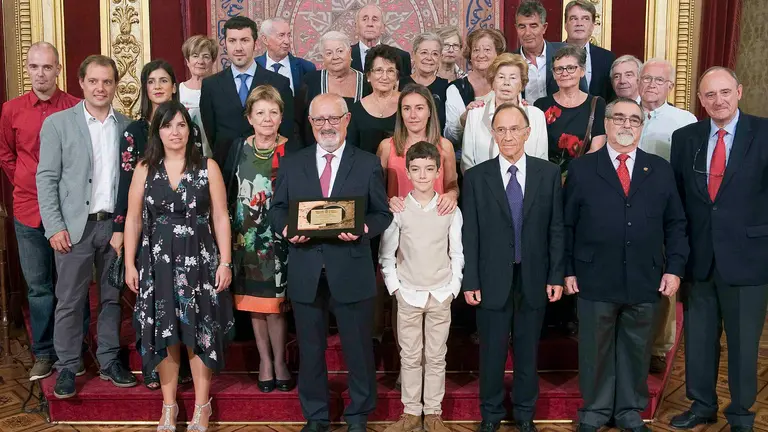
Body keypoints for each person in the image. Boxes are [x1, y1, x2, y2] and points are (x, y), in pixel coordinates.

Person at [269, 93, 392, 432]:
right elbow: (278, 209)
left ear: (347, 120)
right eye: (319, 120)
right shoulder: (293, 162)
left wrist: (364, 229)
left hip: (351, 268)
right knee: (310, 351)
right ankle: (317, 415)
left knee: (358, 349)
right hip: (306, 269)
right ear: (310, 124)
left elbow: (382, 214)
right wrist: (286, 229)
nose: (327, 126)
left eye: (333, 119)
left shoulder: (367, 163)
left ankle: (358, 415)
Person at [564, 98, 688, 432]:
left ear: (641, 126)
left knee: (636, 347)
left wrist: (674, 268)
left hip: (644, 275)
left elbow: (676, 224)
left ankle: (630, 411)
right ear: (606, 124)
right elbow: (566, 225)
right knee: (595, 348)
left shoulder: (659, 169)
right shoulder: (581, 168)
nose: (626, 125)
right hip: (594, 274)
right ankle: (594, 411)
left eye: (634, 119)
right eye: (619, 118)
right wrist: (568, 269)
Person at [123, 101, 234, 431]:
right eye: (168, 125)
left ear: (190, 129)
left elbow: (220, 216)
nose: (175, 131)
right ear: (158, 131)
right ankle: (169, 407)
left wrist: (225, 261)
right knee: (165, 332)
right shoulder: (145, 168)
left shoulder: (207, 167)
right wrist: (130, 263)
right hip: (157, 264)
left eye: (181, 125)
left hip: (199, 262)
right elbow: (132, 219)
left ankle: (202, 407)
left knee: (199, 332)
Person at [669, 67, 768, 432]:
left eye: (725, 92)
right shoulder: (685, 138)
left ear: (739, 91)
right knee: (698, 340)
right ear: (700, 98)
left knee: (744, 345)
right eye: (709, 95)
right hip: (700, 259)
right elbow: (678, 203)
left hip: (750, 259)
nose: (718, 101)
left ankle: (741, 414)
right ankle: (702, 405)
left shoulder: (764, 132)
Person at [37, 55, 136, 398]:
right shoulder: (58, 124)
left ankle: (109, 361)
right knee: (69, 300)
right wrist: (53, 227)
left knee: (111, 299)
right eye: (93, 81)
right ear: (81, 82)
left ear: (115, 86)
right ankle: (67, 366)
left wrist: (127, 228)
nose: (100, 88)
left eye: (107, 82)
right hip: (73, 229)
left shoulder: (127, 127)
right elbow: (46, 179)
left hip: (113, 230)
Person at [462, 102, 564, 432]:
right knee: (491, 353)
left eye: (514, 129)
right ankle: (490, 414)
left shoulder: (548, 173)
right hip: (491, 278)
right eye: (501, 129)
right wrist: (471, 279)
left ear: (527, 132)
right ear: (493, 134)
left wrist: (556, 275)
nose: (508, 136)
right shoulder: (476, 177)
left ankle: (524, 413)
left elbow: (556, 228)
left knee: (527, 351)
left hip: (534, 276)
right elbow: (471, 233)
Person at [113, 59, 202, 390]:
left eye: (165, 80)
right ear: (145, 88)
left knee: (184, 304)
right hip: (150, 231)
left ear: (174, 85)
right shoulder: (134, 132)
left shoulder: (187, 125)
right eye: (152, 81)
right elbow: (128, 186)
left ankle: (185, 367)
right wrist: (121, 228)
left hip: (188, 234)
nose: (159, 86)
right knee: (153, 300)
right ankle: (154, 364)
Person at [0, 42, 85, 382]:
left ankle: (75, 352)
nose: (40, 73)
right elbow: (7, 154)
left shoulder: (76, 108)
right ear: (27, 69)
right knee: (38, 288)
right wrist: (25, 182)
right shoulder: (11, 110)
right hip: (28, 210)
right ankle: (44, 354)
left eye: (47, 67)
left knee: (72, 286)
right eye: (34, 67)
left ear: (58, 69)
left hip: (68, 213)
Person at [378, 142, 463, 432]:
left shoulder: (449, 209)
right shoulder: (399, 209)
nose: (423, 175)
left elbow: (457, 252)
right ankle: (411, 412)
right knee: (410, 356)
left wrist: (453, 287)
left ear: (438, 172)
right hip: (408, 294)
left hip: (440, 293)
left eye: (429, 169)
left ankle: (434, 413)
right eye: (416, 170)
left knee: (436, 356)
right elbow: (387, 254)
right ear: (408, 173)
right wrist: (395, 288)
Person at [221, 85, 294, 393]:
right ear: (249, 117)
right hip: (246, 241)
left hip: (281, 241)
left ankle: (281, 361)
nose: (267, 119)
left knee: (276, 306)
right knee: (255, 306)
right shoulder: (238, 148)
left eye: (273, 113)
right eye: (260, 113)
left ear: (281, 117)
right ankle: (265, 360)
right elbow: (225, 193)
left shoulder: (293, 149)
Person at [636, 59, 696, 374]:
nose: (651, 85)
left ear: (670, 86)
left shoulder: (684, 120)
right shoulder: (623, 113)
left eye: (659, 80)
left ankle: (659, 346)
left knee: (664, 278)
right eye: (646, 79)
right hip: (623, 209)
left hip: (663, 210)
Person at [200, 16, 296, 164]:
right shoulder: (211, 85)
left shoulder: (279, 84)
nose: (238, 48)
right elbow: (211, 133)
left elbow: (288, 131)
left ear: (256, 44)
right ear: (225, 45)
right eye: (232, 41)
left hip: (271, 170)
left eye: (244, 40)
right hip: (226, 171)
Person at [462, 53, 548, 172]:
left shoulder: (536, 115)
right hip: (483, 187)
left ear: (522, 84)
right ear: (492, 82)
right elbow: (467, 162)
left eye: (513, 78)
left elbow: (542, 161)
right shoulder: (475, 114)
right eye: (501, 77)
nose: (506, 83)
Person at [378, 84, 458, 206]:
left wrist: (451, 196)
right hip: (397, 218)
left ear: (429, 111)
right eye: (406, 108)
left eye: (419, 108)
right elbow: (376, 190)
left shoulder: (445, 146)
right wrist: (388, 201)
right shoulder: (386, 147)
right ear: (400, 112)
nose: (413, 115)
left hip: (435, 217)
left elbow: (452, 187)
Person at [535, 44, 607, 174]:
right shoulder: (541, 105)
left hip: (584, 175)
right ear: (553, 73)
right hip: (547, 176)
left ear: (582, 71)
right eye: (559, 69)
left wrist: (571, 175)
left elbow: (597, 147)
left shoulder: (597, 104)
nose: (564, 73)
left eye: (571, 68)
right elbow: (535, 148)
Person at [298, 31, 368, 147]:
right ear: (323, 57)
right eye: (329, 53)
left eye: (340, 51)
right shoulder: (310, 81)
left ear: (350, 52)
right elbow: (299, 122)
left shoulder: (367, 82)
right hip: (318, 152)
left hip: (359, 152)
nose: (335, 57)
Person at [513, 0, 586, 105]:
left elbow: (583, 94)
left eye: (533, 26)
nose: (527, 33)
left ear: (544, 28)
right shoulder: (510, 61)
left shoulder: (566, 53)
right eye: (522, 26)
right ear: (516, 28)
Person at [444, 28, 506, 147]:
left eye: (487, 50)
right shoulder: (455, 89)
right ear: (470, 56)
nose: (481, 55)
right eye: (476, 50)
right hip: (469, 154)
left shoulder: (507, 83)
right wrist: (463, 120)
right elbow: (450, 137)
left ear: (498, 54)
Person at [348, 44, 402, 154]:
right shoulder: (355, 110)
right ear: (368, 75)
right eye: (379, 70)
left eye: (390, 71)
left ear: (397, 76)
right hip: (365, 169)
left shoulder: (407, 104)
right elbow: (351, 150)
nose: (385, 77)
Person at [563, 0, 615, 101]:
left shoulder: (607, 58)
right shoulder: (552, 54)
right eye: (573, 18)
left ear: (592, 26)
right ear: (565, 24)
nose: (579, 23)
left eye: (585, 19)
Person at [399, 32, 450, 131]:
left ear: (440, 58)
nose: (429, 58)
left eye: (435, 54)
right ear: (413, 55)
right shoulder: (399, 85)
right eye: (424, 52)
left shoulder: (448, 87)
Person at [256, 17, 316, 95]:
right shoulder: (254, 66)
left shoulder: (306, 67)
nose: (287, 41)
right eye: (281, 35)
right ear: (265, 39)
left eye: (289, 35)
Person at [180, 35, 218, 157]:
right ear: (187, 61)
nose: (200, 61)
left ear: (213, 61)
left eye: (206, 56)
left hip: (214, 156)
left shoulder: (219, 90)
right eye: (195, 56)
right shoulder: (178, 91)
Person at [350, 3, 411, 78]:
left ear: (383, 28)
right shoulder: (345, 56)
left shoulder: (402, 57)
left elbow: (405, 88)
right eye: (364, 19)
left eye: (375, 19)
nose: (370, 24)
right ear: (356, 26)